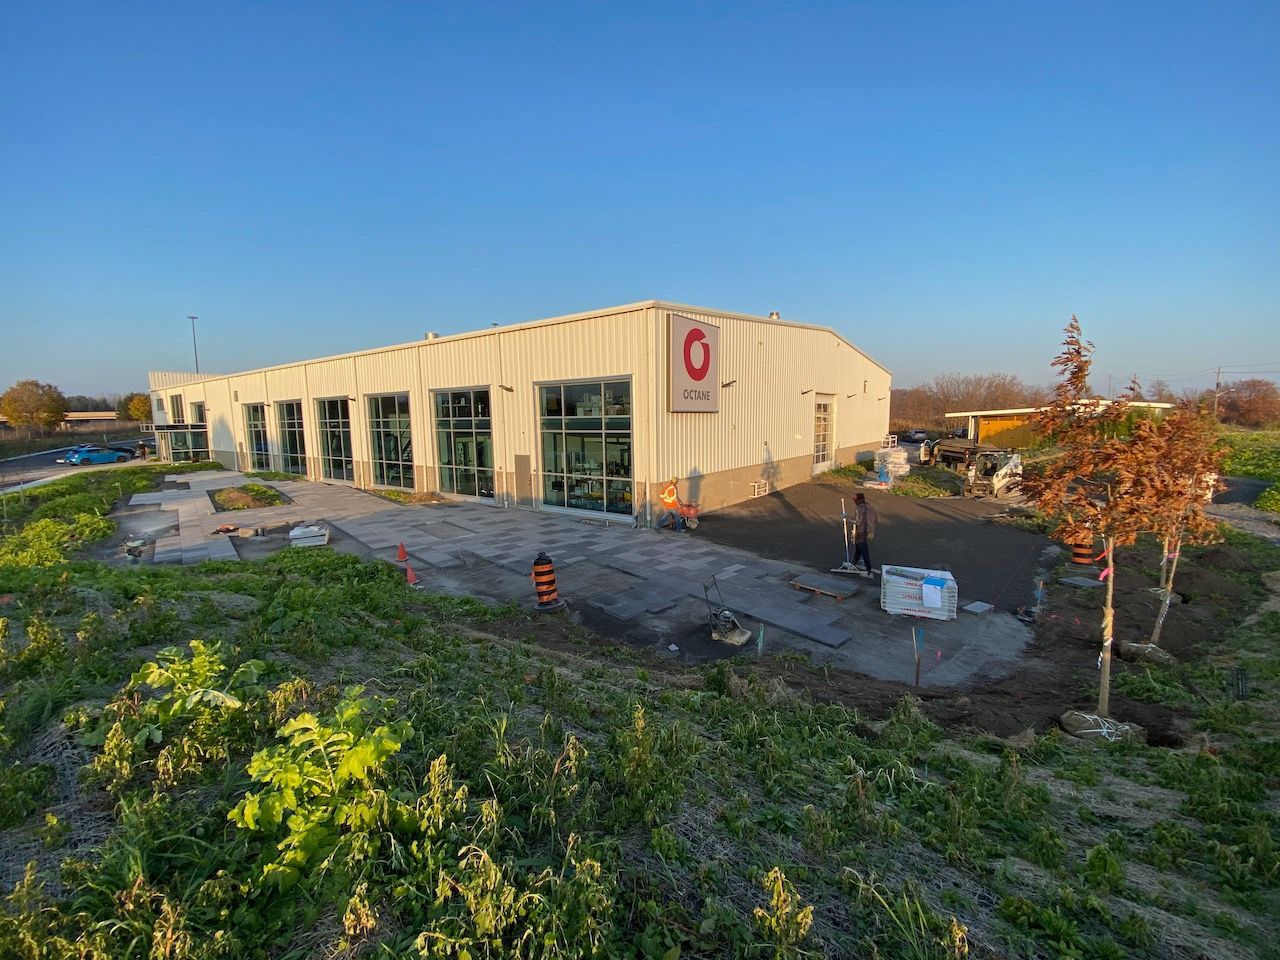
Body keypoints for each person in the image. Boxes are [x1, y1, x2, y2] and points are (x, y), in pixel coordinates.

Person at [851, 492, 877, 575]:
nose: (855, 502)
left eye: (856, 500)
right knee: (858, 547)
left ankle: (868, 568)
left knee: (863, 549)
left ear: (859, 500)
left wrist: (846, 518)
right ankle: (854, 562)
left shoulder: (858, 508)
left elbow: (858, 522)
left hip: (862, 531)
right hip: (870, 531)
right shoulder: (870, 507)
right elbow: (875, 519)